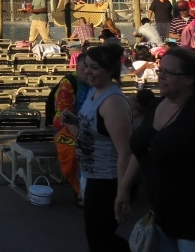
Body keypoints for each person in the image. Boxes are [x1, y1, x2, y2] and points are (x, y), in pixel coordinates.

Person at [116, 47, 195, 252]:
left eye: (170, 73)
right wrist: (123, 189)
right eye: (160, 71)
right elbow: (143, 151)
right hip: (161, 220)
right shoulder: (157, 106)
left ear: (189, 79)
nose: (162, 77)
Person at [60, 44, 132, 252]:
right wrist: (74, 119)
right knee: (96, 234)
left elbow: (125, 151)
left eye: (94, 68)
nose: (87, 72)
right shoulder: (95, 92)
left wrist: (122, 193)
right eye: (86, 66)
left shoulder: (113, 102)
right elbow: (97, 127)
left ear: (110, 70)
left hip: (108, 180)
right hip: (92, 176)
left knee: (100, 237)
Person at [51, 53, 89, 205]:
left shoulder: (99, 83)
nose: (87, 72)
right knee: (75, 151)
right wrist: (82, 138)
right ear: (76, 67)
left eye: (92, 68)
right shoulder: (69, 83)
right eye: (83, 68)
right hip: (66, 127)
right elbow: (65, 118)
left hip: (91, 128)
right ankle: (80, 189)